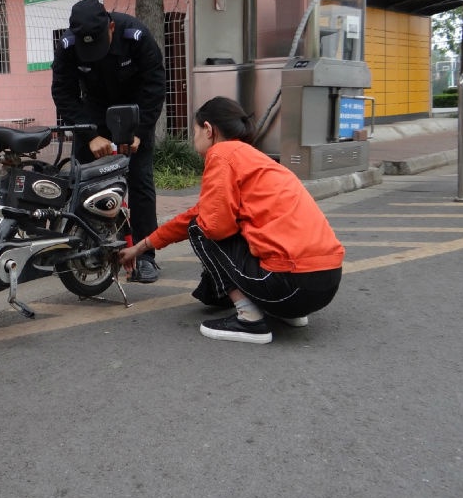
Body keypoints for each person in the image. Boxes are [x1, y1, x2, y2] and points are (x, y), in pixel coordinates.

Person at [118, 96, 344, 343]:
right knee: (211, 223)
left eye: (195, 131)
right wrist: (140, 248)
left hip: (288, 286)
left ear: (208, 129)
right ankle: (286, 313)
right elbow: (197, 212)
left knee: (200, 229)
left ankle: (250, 320)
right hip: (325, 285)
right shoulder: (254, 157)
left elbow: (211, 226)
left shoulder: (221, 154)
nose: (194, 138)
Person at [52, 0, 166, 282]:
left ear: (111, 27)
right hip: (93, 112)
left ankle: (144, 256)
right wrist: (90, 136)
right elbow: (63, 92)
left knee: (139, 180)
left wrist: (139, 132)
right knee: (82, 180)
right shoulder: (67, 45)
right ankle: (85, 247)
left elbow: (154, 86)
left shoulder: (136, 36)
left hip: (134, 110)